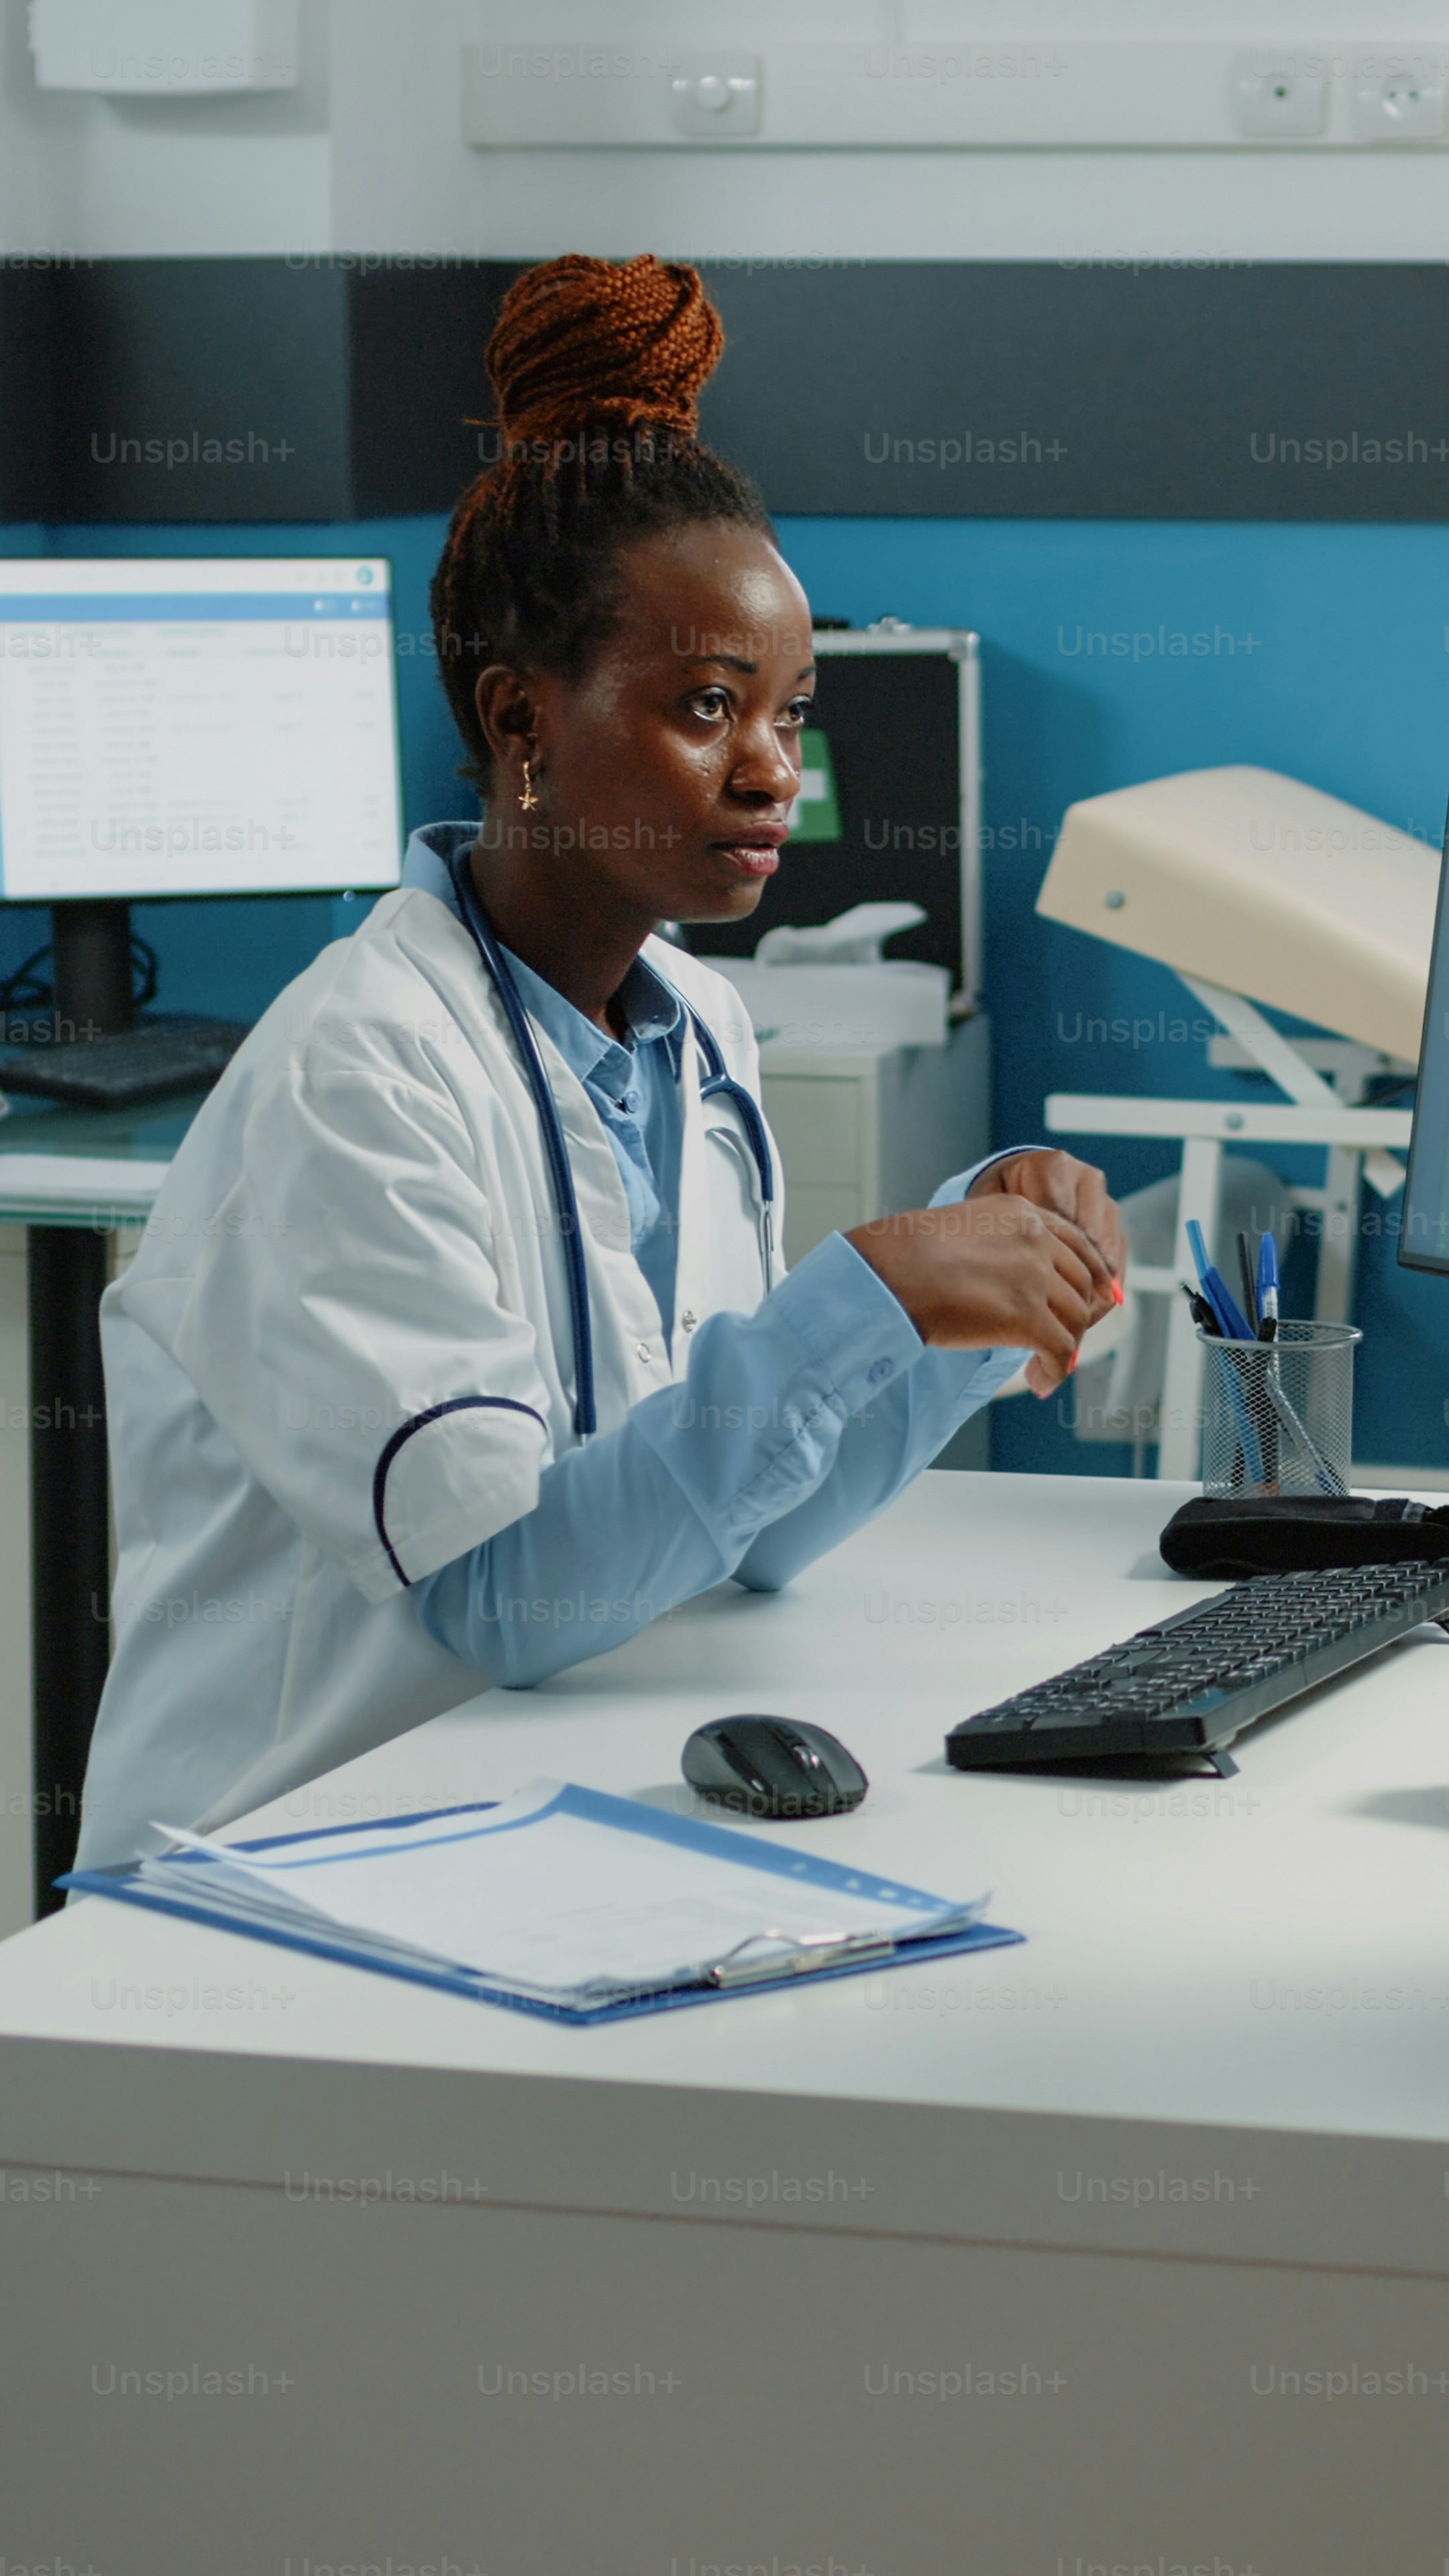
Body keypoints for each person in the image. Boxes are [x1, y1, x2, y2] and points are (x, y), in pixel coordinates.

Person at [73, 254, 1126, 1873]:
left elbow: (745, 1528)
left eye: (790, 713)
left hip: (532, 1828)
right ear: (521, 725)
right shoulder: (357, 1074)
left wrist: (963, 1301)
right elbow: (504, 1598)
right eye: (708, 707)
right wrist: (867, 1292)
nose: (773, 773)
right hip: (286, 1866)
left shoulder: (695, 1027)